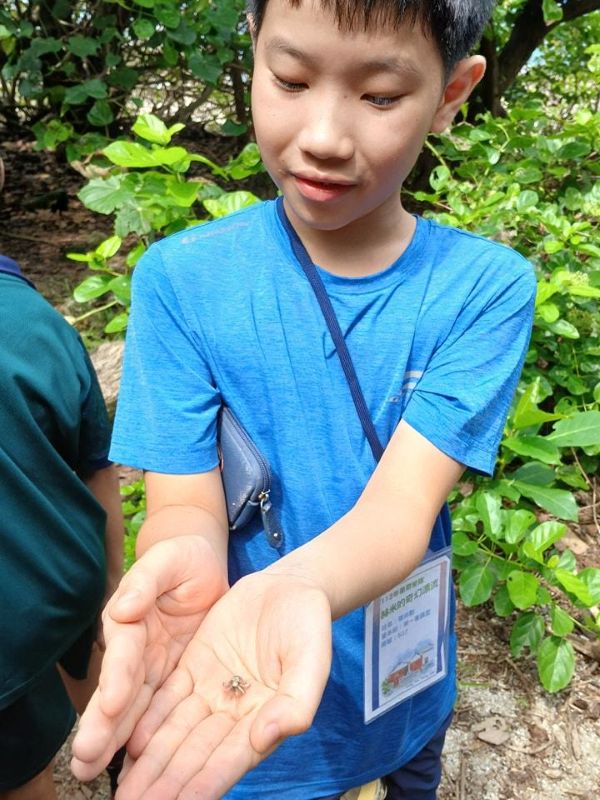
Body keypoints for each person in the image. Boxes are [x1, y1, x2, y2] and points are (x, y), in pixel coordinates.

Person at [71, 1, 537, 798]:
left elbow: (401, 508)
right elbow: (185, 504)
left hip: (402, 686)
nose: (323, 135)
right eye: (290, 78)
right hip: (240, 704)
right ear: (254, 50)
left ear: (452, 93)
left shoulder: (482, 291)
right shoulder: (182, 282)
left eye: (380, 95)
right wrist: (183, 553)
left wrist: (296, 588)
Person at [0, 254, 125, 799]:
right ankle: (123, 763)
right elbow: (97, 464)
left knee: (22, 774)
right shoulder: (37, 320)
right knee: (106, 699)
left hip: (11, 623)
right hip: (69, 570)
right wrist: (113, 583)